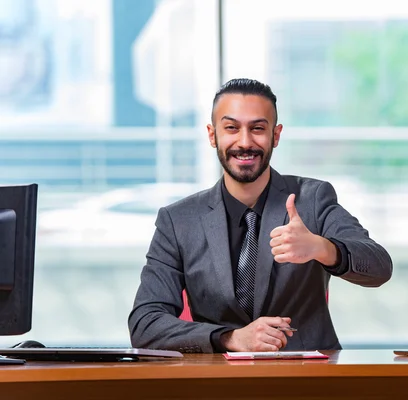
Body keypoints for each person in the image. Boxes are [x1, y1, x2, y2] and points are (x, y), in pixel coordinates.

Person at [128, 78, 393, 353]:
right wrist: (230, 338)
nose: (245, 142)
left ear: (276, 136)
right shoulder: (179, 221)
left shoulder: (312, 199)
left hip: (308, 383)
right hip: (217, 385)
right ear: (212, 135)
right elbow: (145, 325)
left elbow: (379, 268)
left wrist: (322, 248)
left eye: (257, 129)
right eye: (231, 128)